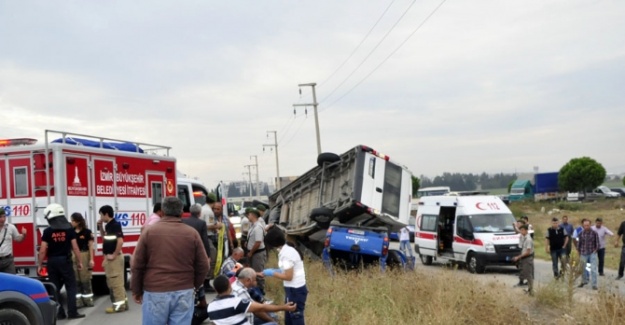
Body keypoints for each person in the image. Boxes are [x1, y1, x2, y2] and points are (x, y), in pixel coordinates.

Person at [131, 197, 210, 325]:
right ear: (181, 213)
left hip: (155, 291)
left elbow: (137, 264)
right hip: (184, 290)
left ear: (161, 212)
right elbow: (203, 265)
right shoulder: (192, 233)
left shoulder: (149, 232)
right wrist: (193, 284)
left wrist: (136, 290)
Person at [37, 203, 85, 319]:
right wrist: (80, 262)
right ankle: (72, 312)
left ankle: (60, 313)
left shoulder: (47, 231)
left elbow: (43, 250)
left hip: (52, 262)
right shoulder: (69, 230)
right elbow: (75, 247)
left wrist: (39, 264)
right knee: (71, 287)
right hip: (65, 261)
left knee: (55, 288)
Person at [207, 275, 296, 325]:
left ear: (215, 290)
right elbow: (261, 308)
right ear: (229, 286)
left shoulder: (210, 307)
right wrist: (283, 307)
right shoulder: (236, 302)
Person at [263, 227, 308, 325]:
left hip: (295, 290)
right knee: (289, 319)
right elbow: (287, 270)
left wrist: (272, 273)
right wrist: (274, 270)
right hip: (293, 289)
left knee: (295, 317)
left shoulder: (287, 254)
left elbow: (288, 276)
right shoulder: (287, 250)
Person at [97, 205, 128, 313]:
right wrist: (100, 227)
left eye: (101, 214)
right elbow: (104, 239)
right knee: (114, 281)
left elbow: (120, 241)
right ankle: (123, 302)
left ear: (106, 214)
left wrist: (114, 254)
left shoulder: (115, 225)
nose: (100, 217)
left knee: (116, 282)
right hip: (109, 257)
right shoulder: (108, 226)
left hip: (114, 258)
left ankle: (119, 306)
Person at [70, 212, 95, 307]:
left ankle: (88, 299)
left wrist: (91, 259)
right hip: (73, 255)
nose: (71, 222)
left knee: (85, 278)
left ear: (78, 221)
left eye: (73, 220)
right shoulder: (71, 231)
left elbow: (90, 246)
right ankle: (78, 301)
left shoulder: (87, 232)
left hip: (84, 254)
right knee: (75, 278)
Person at [0, 208, 27, 274]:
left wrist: (24, 235)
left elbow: (18, 239)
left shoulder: (11, 227)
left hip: (8, 261)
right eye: (0, 217)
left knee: (11, 282)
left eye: (4, 216)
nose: (3, 219)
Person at [210, 202, 234, 278]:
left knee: (224, 259)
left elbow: (228, 231)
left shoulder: (225, 218)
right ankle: (213, 276)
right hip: (214, 242)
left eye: (218, 209)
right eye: (214, 209)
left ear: (221, 209)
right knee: (214, 260)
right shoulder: (211, 218)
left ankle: (223, 276)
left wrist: (231, 243)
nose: (215, 211)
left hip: (224, 243)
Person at [246, 208, 267, 293]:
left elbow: (258, 242)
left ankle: (261, 291)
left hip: (257, 253)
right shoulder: (253, 226)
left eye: (249, 214)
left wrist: (251, 252)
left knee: (258, 273)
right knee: (254, 272)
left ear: (253, 216)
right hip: (253, 253)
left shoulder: (258, 227)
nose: (248, 216)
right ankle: (255, 291)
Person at [576, 219, 600, 290]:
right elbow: (578, 244)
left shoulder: (594, 233)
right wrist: (578, 253)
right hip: (583, 253)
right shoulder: (580, 233)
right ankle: (584, 281)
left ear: (590, 225)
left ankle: (594, 284)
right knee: (582, 268)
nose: (586, 226)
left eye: (588, 225)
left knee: (593, 269)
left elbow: (598, 244)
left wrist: (595, 251)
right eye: (585, 225)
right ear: (583, 225)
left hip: (592, 253)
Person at [512, 224, 534, 296]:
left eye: (522, 230)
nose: (521, 232)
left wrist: (518, 257)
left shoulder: (528, 239)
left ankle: (531, 290)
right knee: (524, 272)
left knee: (528, 274)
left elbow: (528, 252)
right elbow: (517, 231)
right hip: (524, 257)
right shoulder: (523, 236)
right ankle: (529, 289)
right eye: (520, 230)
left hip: (527, 258)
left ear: (526, 230)